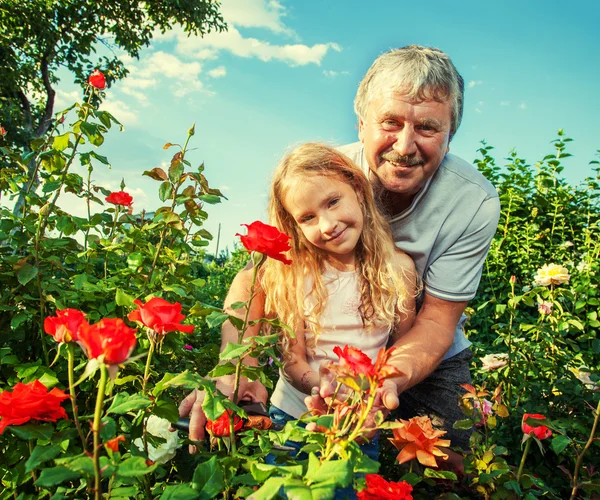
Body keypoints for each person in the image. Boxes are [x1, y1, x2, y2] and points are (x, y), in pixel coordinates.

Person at [179, 44, 501, 450]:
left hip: (420, 341)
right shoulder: (324, 177)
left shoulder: (472, 201)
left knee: (451, 460)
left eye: (427, 128)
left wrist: (379, 386)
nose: (404, 146)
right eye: (390, 122)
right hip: (322, 355)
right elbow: (260, 277)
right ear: (361, 123)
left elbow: (437, 321)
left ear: (450, 134)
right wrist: (238, 366)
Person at [260, 143, 415, 452]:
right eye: (307, 218)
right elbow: (293, 360)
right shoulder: (296, 273)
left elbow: (400, 350)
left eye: (332, 201)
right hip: (295, 418)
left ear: (357, 189)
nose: (328, 225)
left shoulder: (399, 269)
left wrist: (368, 398)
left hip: (360, 422)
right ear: (294, 225)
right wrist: (321, 386)